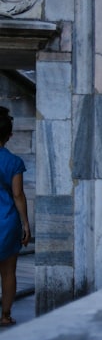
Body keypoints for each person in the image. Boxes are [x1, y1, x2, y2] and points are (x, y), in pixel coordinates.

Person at [0, 107, 29, 326]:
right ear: (9, 136)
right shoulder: (14, 162)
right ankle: (6, 315)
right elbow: (18, 194)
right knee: (8, 272)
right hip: (7, 221)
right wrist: (26, 224)